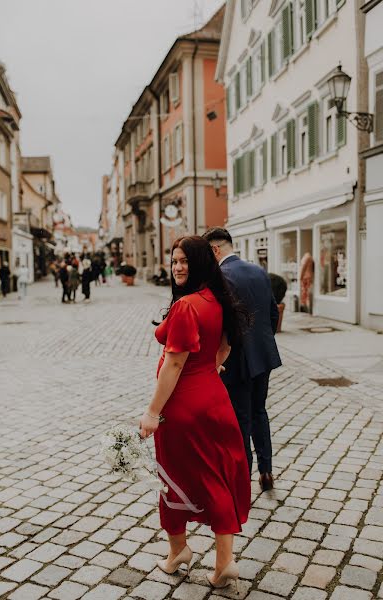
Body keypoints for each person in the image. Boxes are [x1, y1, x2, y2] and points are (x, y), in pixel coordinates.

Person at [140, 236, 250, 591]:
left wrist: (152, 413)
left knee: (171, 478)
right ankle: (223, 563)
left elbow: (173, 364)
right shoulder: (216, 301)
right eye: (174, 261)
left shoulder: (187, 306)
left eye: (185, 260)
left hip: (184, 406)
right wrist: (211, 368)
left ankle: (177, 552)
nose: (177, 266)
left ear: (202, 262)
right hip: (214, 401)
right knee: (216, 477)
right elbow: (226, 344)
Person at [203, 227, 281, 492]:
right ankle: (267, 471)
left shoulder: (219, 276)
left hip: (236, 357)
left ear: (215, 250)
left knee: (240, 419)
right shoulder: (259, 270)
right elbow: (272, 314)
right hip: (263, 355)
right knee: (260, 411)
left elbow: (218, 324)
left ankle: (242, 482)